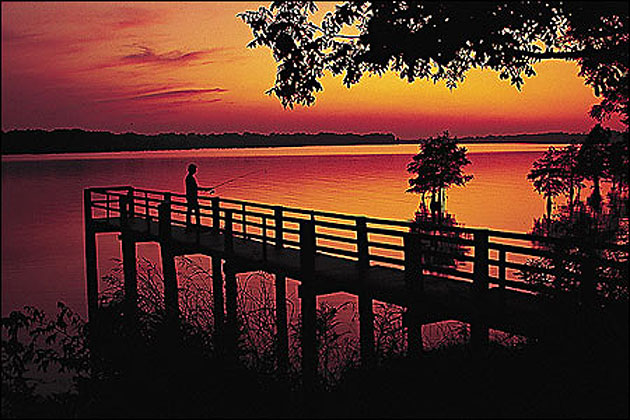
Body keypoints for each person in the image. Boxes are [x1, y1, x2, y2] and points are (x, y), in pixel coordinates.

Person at [185, 163, 214, 230]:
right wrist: (205, 189)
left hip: (190, 197)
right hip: (192, 198)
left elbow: (195, 188)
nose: (196, 171)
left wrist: (205, 189)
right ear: (192, 170)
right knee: (196, 212)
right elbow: (195, 188)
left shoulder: (189, 177)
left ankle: (189, 226)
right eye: (195, 169)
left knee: (190, 212)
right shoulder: (190, 178)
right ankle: (196, 226)